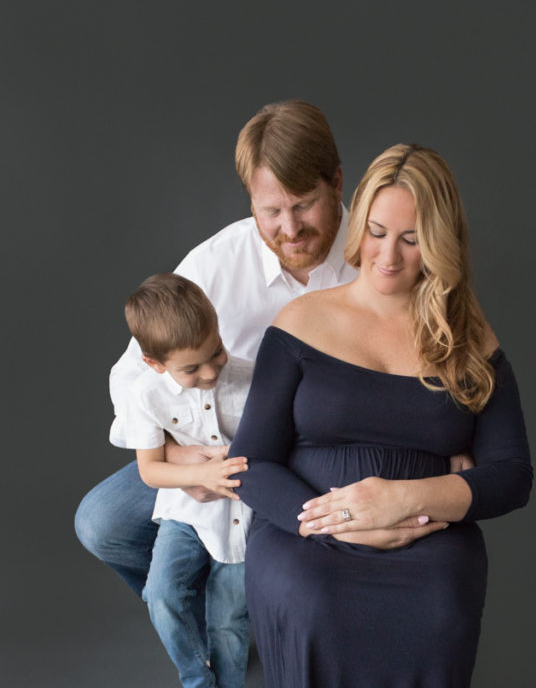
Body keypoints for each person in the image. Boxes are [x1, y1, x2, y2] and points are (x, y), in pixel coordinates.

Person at [230, 144, 533, 688]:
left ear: (439, 242)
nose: (387, 255)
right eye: (374, 231)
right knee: (318, 607)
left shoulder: (468, 338)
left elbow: (510, 475)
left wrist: (408, 500)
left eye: (409, 237)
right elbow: (251, 463)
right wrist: (325, 519)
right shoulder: (302, 322)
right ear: (355, 224)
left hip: (428, 534)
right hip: (305, 530)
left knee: (439, 609)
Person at [74, 100, 358, 595]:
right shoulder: (216, 262)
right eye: (271, 211)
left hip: (328, 457)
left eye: (303, 204)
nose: (289, 229)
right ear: (251, 201)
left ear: (335, 182)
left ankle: (260, 606)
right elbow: (131, 375)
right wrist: (177, 458)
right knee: (102, 523)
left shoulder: (377, 256)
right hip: (221, 450)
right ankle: (208, 615)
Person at [123, 273, 253, 688]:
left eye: (215, 354)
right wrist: (194, 477)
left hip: (244, 516)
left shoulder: (251, 377)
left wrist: (232, 472)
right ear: (155, 363)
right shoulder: (146, 394)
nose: (210, 372)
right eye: (191, 368)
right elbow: (149, 468)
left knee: (230, 618)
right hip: (186, 511)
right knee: (161, 593)